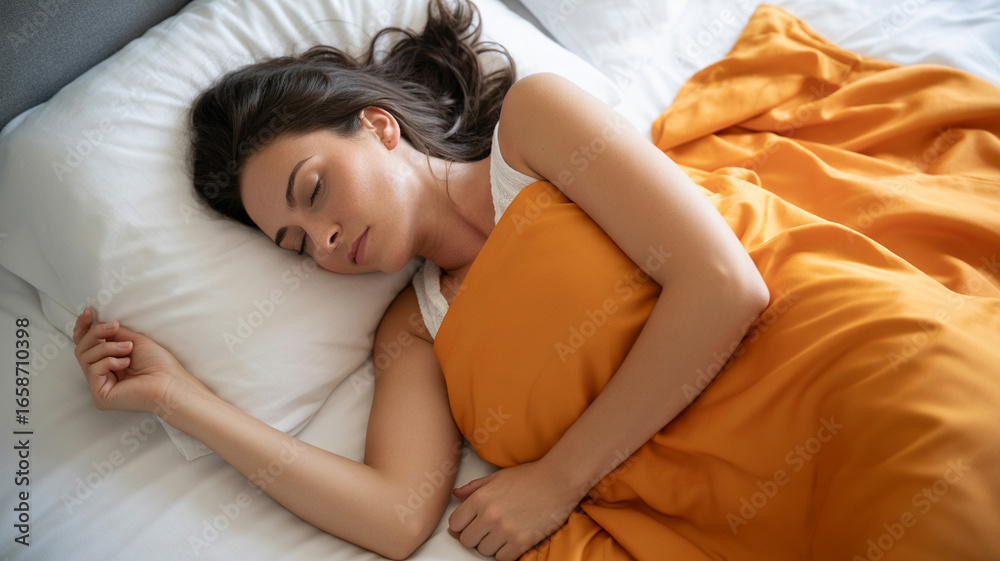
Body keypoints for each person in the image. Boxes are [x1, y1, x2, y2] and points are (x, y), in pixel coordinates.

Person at [72, 0, 769, 559]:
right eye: (297, 244)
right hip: (720, 507)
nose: (323, 241)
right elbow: (395, 517)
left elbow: (725, 287)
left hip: (800, 360)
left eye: (313, 191)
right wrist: (179, 399)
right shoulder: (413, 329)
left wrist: (556, 482)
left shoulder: (535, 126)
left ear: (378, 126)